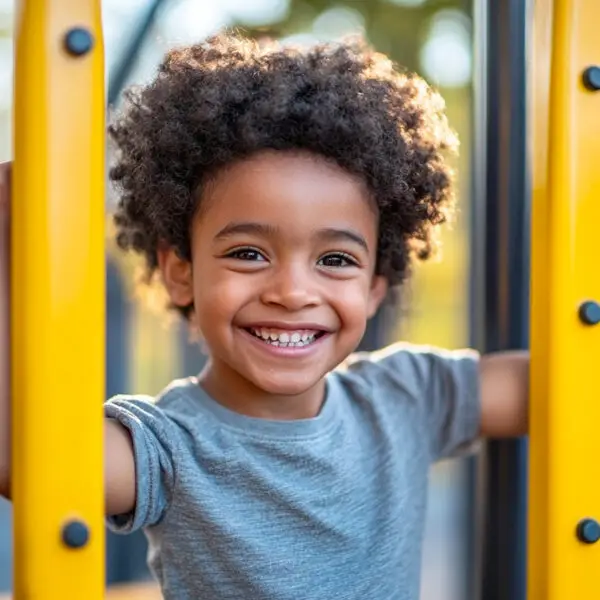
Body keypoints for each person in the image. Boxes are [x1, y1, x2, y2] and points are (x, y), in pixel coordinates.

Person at [0, 31, 529, 600]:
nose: (292, 291)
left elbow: (562, 385)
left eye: (335, 259)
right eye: (248, 253)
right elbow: (26, 459)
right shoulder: (170, 447)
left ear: (375, 286)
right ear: (181, 271)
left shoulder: (406, 398)